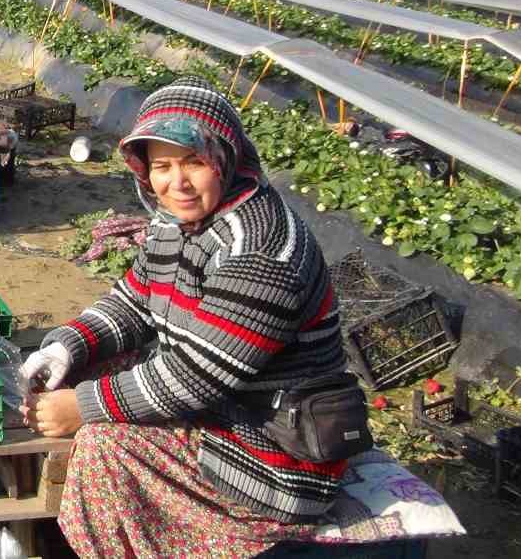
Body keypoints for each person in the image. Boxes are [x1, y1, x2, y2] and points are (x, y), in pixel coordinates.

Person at [19, 77, 353, 559]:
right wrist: (67, 344)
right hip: (225, 407)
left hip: (279, 449)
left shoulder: (260, 252)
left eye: (194, 162)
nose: (177, 183)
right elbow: (134, 300)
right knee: (83, 371)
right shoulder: (175, 219)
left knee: (103, 445)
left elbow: (197, 376)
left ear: (226, 158)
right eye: (162, 166)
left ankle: (139, 540)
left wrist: (84, 407)